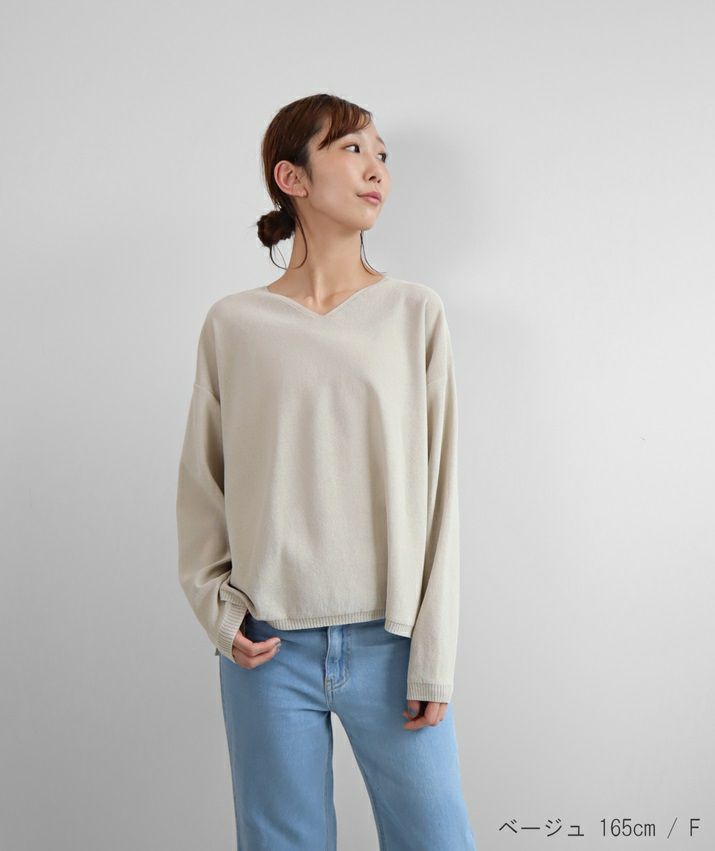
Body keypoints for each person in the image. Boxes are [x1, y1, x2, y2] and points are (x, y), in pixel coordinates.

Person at [176, 93, 477, 850]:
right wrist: (219, 611)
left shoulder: (414, 313)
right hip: (267, 647)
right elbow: (202, 485)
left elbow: (441, 494)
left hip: (392, 641)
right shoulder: (234, 324)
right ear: (293, 177)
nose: (375, 168)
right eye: (351, 149)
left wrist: (433, 654)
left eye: (381, 154)